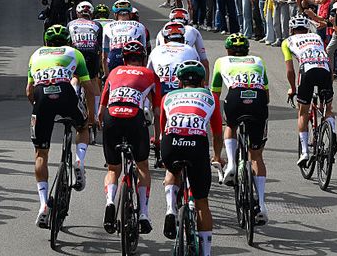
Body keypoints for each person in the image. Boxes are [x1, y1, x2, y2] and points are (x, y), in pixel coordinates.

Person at [26, 24, 95, 228]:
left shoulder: (36, 54)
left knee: (41, 154)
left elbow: (29, 91)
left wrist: (39, 108)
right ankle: (79, 161)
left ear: (46, 42)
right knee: (82, 127)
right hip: (66, 94)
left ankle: (43, 206)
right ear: (68, 41)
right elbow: (89, 88)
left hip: (41, 99)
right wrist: (91, 118)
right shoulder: (74, 53)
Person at [159, 60, 223, 256]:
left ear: (179, 82)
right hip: (196, 146)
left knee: (172, 171)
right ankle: (206, 252)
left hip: (171, 143)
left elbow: (162, 128)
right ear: (203, 81)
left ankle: (170, 208)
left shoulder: (168, 97)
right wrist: (217, 156)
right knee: (202, 202)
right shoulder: (210, 96)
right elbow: (217, 132)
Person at [99, 41, 162, 234]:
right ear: (143, 59)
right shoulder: (150, 74)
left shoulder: (115, 72)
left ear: (124, 59)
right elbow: (158, 112)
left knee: (113, 169)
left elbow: (101, 110)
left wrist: (106, 132)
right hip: (134, 117)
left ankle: (110, 201)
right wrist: (157, 139)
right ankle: (143, 212)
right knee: (142, 166)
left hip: (112, 117)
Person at [211, 34, 270, 224]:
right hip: (258, 100)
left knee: (231, 125)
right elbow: (267, 95)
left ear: (228, 50)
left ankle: (232, 165)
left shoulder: (221, 61)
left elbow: (215, 94)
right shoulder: (258, 61)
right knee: (256, 156)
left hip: (235, 98)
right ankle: (261, 204)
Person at [283, 16, 337, 165]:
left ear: (291, 30)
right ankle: (332, 133)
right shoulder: (317, 37)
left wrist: (293, 89)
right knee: (328, 108)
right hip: (325, 70)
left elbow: (290, 71)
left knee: (303, 112)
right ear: (307, 29)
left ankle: (305, 152)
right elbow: (326, 58)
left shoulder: (287, 42)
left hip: (307, 71)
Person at [67, 1, 104, 122]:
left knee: (76, 77)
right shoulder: (97, 24)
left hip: (75, 53)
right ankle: (94, 116)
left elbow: (67, 44)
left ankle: (73, 94)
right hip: (91, 54)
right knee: (92, 80)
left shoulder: (70, 24)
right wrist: (99, 65)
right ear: (91, 13)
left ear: (77, 13)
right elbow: (100, 47)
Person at [148, 22, 201, 96]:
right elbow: (199, 74)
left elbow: (148, 74)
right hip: (181, 92)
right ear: (183, 39)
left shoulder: (156, 50)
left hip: (159, 91)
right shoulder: (191, 50)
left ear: (165, 40)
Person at [102, 0, 149, 74]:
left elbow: (104, 55)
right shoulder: (140, 26)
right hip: (133, 57)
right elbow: (144, 52)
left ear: (115, 14)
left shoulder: (107, 26)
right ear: (130, 14)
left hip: (114, 56)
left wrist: (106, 75)